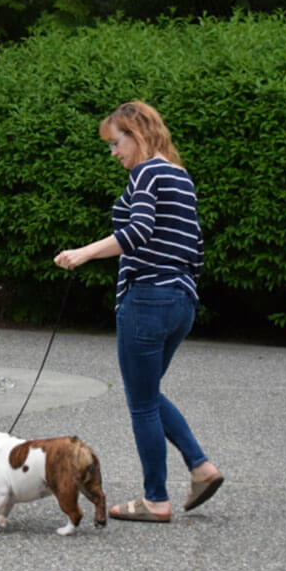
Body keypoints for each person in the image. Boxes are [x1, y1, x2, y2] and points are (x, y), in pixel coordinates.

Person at [54, 101, 223, 523]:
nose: (114, 153)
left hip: (147, 299)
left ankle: (155, 500)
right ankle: (201, 468)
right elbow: (196, 248)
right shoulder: (181, 177)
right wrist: (179, 290)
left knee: (142, 404)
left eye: (116, 142)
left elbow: (136, 231)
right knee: (146, 395)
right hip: (180, 301)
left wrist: (83, 253)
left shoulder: (146, 172)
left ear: (138, 133)